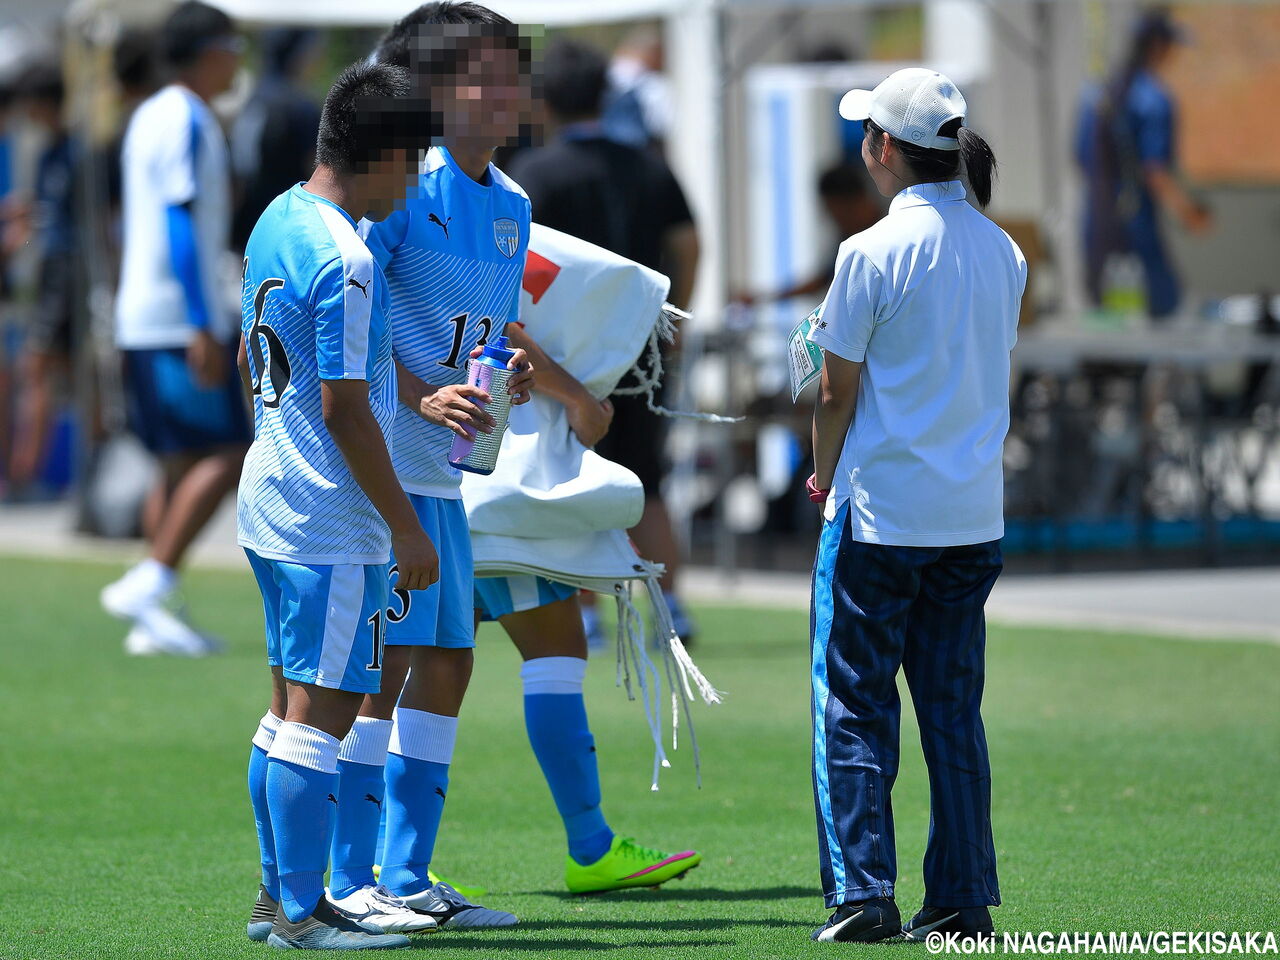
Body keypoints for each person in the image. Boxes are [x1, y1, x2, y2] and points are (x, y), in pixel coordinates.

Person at [323, 3, 535, 931]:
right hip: (387, 474)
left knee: (450, 661)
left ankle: (408, 876)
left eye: (509, 75)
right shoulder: (410, 188)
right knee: (387, 667)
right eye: (479, 75)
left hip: (450, 477)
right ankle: (346, 878)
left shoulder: (515, 206)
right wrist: (419, 395)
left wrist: (508, 376)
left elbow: (484, 332)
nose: (501, 93)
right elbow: (353, 325)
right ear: (437, 93)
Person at [806, 68, 1024, 943]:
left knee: (854, 704)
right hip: (971, 517)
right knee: (952, 712)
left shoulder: (869, 253)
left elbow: (833, 393)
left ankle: (864, 893)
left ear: (883, 148)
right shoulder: (1003, 249)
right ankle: (962, 899)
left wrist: (823, 478)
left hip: (880, 514)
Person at [238, 57, 440, 951]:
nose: (419, 180)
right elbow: (347, 408)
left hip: (271, 493)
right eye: (415, 162)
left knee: (285, 711)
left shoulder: (279, 218)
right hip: (328, 515)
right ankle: (298, 912)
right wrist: (403, 524)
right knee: (321, 716)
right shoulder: (350, 259)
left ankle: (272, 898)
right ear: (385, 156)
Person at [503, 39, 699, 643]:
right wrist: (673, 323)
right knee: (648, 477)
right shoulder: (649, 164)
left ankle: (581, 608)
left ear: (542, 102)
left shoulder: (533, 173)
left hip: (557, 353)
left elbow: (517, 264)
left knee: (565, 470)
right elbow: (689, 244)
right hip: (637, 347)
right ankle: (670, 604)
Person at [100, 1, 249, 656]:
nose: (238, 59)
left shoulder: (149, 115)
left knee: (178, 462)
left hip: (144, 313)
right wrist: (201, 321)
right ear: (207, 49)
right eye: (232, 45)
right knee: (228, 449)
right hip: (173, 316)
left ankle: (154, 610)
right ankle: (154, 575)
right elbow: (181, 223)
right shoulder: (187, 117)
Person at [1076, 7, 1210, 319]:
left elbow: (1080, 160)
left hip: (1096, 235)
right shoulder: (1154, 100)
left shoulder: (1093, 96)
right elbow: (1156, 172)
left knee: (1110, 325)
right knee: (1164, 314)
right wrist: (1191, 212)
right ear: (1157, 47)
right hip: (1137, 239)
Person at [8, 62, 77, 496]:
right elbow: (44, 210)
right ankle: (34, 476)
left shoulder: (78, 153)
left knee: (36, 370)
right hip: (50, 272)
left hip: (68, 275)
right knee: (41, 374)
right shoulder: (49, 153)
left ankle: (25, 478)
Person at [735, 162, 882, 307]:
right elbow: (823, 280)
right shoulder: (850, 238)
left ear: (856, 201)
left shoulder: (885, 236)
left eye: (836, 213)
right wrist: (762, 298)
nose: (835, 220)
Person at [230, 28, 323, 254]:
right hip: (290, 226)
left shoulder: (254, 98)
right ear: (299, 54)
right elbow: (319, 171)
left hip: (250, 225)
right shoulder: (299, 106)